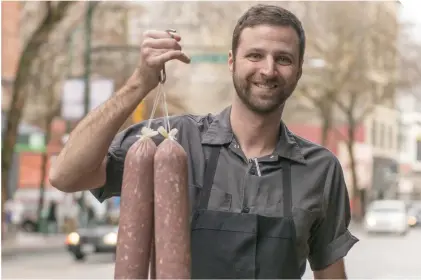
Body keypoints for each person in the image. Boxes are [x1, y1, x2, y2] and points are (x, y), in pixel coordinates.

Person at [50, 4, 358, 279]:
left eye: (284, 59)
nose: (268, 69)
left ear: (299, 70)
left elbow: (331, 275)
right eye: (255, 55)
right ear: (231, 62)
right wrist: (139, 83)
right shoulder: (173, 142)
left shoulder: (320, 169)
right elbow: (65, 175)